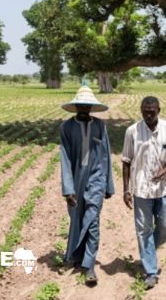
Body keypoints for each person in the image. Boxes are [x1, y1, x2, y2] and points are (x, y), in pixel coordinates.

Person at [121, 96, 166, 290]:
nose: (148, 114)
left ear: (159, 110)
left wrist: (164, 171)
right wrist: (126, 190)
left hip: (162, 189)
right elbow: (126, 161)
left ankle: (148, 253)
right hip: (141, 190)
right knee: (144, 230)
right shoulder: (132, 131)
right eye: (145, 111)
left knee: (164, 227)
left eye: (152, 111)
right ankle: (151, 272)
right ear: (140, 110)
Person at [59, 85, 114, 285]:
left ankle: (89, 265)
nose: (84, 108)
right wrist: (68, 189)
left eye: (87, 105)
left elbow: (106, 155)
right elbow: (64, 158)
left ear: (92, 107)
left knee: (93, 222)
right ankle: (75, 254)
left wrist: (108, 185)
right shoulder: (66, 127)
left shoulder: (100, 126)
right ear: (76, 106)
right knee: (77, 218)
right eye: (81, 105)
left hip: (96, 179)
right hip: (75, 180)